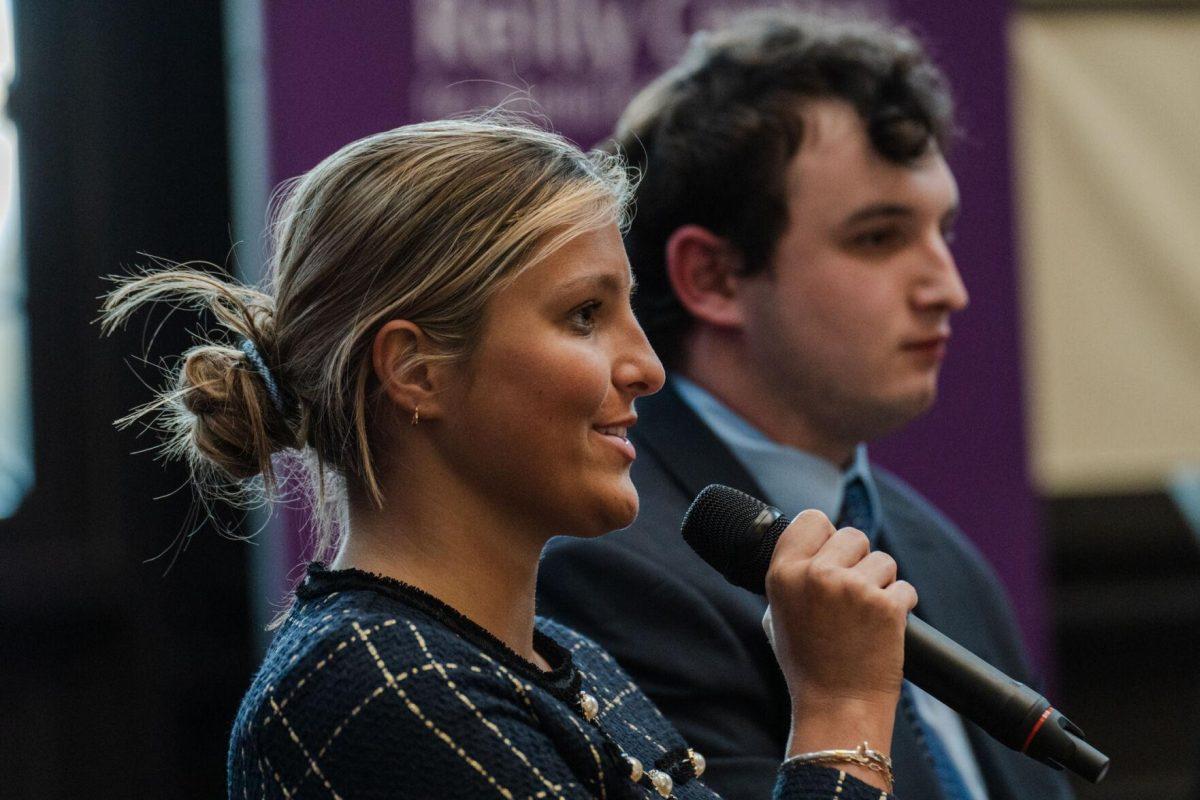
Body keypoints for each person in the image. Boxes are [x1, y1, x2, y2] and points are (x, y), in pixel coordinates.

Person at [102, 118, 923, 799]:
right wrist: (841, 710)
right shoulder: (378, 687)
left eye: (628, 310)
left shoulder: (562, 658)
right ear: (416, 370)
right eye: (583, 316)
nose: (646, 366)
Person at [537, 10, 1075, 800]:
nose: (947, 290)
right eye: (879, 238)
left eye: (944, 233)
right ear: (714, 277)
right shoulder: (611, 567)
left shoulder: (935, 552)